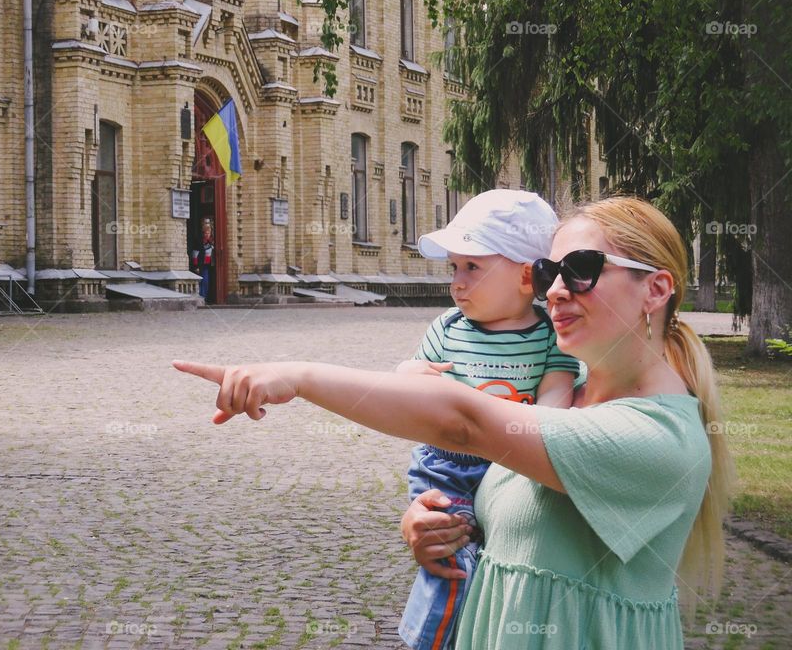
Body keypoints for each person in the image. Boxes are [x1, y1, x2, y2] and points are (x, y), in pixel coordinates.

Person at [174, 196, 733, 650]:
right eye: (548, 272)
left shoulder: (661, 437)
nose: (557, 290)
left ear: (656, 289)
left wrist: (297, 375)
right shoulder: (564, 400)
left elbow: (463, 422)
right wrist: (434, 526)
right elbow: (519, 520)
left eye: (582, 270)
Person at [395, 190, 580, 650]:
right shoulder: (446, 329)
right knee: (453, 556)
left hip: (513, 458)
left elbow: (556, 389)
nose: (457, 282)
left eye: (472, 268)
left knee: (501, 555)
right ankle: (426, 641)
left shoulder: (548, 335)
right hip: (449, 464)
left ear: (526, 277)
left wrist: (539, 420)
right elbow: (409, 382)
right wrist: (410, 376)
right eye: (453, 268)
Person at [191, 217, 215, 300]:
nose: (207, 234)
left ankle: (205, 297)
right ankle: (201, 297)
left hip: (209, 265)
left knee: (206, 282)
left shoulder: (212, 241)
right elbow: (195, 254)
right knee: (202, 281)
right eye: (205, 233)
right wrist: (196, 266)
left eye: (208, 233)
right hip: (201, 265)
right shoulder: (199, 241)